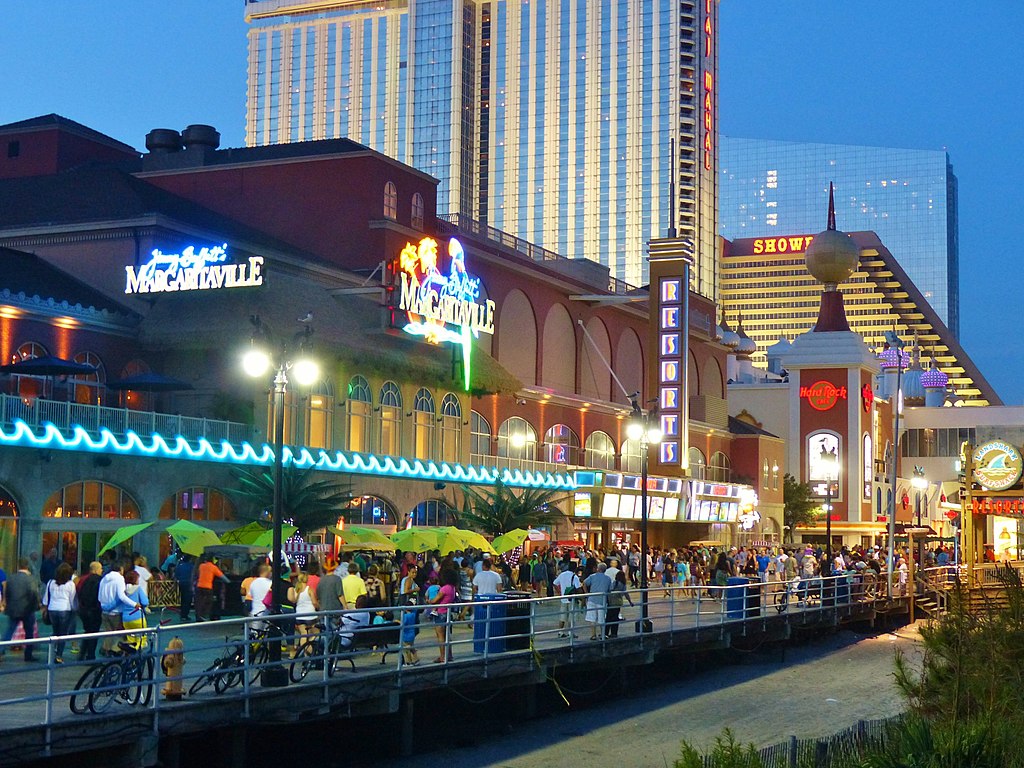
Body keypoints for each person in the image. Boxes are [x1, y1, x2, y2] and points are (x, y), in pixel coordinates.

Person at [1, 558, 41, 662]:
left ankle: (1, 650)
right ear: (27, 566)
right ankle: (28, 655)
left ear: (18, 566)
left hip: (13, 608)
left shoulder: (11, 578)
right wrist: (36, 606)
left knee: (9, 631)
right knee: (29, 633)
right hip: (27, 609)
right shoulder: (31, 579)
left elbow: (7, 592)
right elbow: (34, 594)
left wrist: (7, 604)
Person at [97, 563, 140, 656]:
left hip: (104, 611)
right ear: (120, 570)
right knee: (120, 634)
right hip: (116, 611)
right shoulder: (119, 579)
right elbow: (122, 596)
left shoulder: (104, 579)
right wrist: (134, 604)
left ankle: (106, 650)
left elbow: (99, 595)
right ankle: (115, 652)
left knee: (108, 633)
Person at [43, 562, 77, 663]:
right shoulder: (70, 584)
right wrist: (75, 609)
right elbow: (72, 599)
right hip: (64, 609)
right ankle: (59, 655)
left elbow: (46, 597)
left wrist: (45, 608)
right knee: (63, 634)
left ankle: (53, 650)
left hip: (52, 609)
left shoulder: (50, 583)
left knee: (55, 631)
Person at [428, 568, 458, 662]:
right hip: (448, 613)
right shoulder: (452, 588)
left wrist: (429, 601)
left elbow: (435, 600)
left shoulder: (444, 588)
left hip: (440, 613)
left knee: (440, 636)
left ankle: (442, 656)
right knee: (447, 636)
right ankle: (449, 655)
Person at [76, 561, 103, 661]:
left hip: (83, 609)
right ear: (96, 570)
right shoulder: (100, 580)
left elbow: (78, 590)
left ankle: (82, 654)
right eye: (100, 569)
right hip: (94, 609)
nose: (102, 571)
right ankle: (90, 655)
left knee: (87, 631)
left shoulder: (83, 579)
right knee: (94, 633)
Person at [288, 572, 319, 653]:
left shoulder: (296, 589)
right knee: (314, 633)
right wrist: (318, 607)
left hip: (299, 615)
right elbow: (314, 602)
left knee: (303, 635)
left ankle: (304, 653)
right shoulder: (309, 589)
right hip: (310, 615)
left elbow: (294, 600)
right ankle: (311, 652)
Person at [583, 562, 613, 641]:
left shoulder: (592, 576)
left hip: (592, 599)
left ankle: (593, 635)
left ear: (598, 569)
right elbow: (610, 589)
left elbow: (584, 583)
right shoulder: (608, 578)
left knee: (592, 618)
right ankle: (602, 634)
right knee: (601, 618)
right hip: (602, 600)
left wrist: (587, 593)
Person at [194, 555, 228, 622]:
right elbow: (222, 576)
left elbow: (198, 574)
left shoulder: (201, 566)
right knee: (208, 602)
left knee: (199, 602)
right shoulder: (213, 567)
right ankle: (204, 615)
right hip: (208, 587)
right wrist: (229, 581)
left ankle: (198, 616)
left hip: (199, 586)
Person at [122, 570, 150, 650]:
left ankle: (131, 659)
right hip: (138, 617)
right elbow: (145, 602)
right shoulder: (138, 589)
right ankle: (138, 658)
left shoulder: (123, 591)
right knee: (141, 640)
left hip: (126, 619)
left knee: (130, 641)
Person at [553, 564, 582, 638]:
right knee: (572, 617)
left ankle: (560, 632)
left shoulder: (562, 574)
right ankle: (570, 632)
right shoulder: (574, 577)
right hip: (572, 599)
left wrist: (559, 592)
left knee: (562, 617)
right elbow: (578, 588)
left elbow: (555, 583)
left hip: (563, 598)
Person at [605, 570, 634, 638]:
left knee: (609, 617)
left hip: (611, 602)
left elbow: (610, 589)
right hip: (618, 602)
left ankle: (606, 632)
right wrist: (630, 602)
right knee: (615, 617)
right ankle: (614, 632)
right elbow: (625, 593)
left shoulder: (614, 583)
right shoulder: (623, 584)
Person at [400, 595, 421, 666]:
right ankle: (416, 659)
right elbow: (415, 609)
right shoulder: (413, 614)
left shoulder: (406, 616)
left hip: (406, 634)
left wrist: (398, 621)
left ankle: (409, 661)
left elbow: (403, 623)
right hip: (412, 633)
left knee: (407, 649)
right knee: (412, 647)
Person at [174, 555, 194, 622]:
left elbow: (176, 576)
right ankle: (185, 614)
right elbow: (193, 575)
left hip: (181, 584)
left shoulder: (180, 566)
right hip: (189, 583)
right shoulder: (191, 566)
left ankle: (182, 614)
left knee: (182, 599)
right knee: (188, 600)